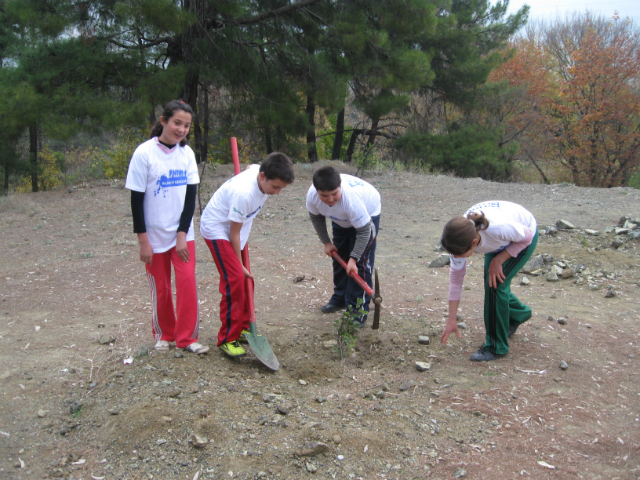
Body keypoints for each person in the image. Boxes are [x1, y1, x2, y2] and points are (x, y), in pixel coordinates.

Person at [125, 100, 209, 354]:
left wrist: (182, 234)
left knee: (186, 283)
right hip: (153, 236)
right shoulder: (144, 153)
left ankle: (187, 338)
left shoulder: (187, 154)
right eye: (177, 123)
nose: (181, 129)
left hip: (182, 235)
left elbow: (189, 198)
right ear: (163, 121)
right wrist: (143, 241)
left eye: (187, 125)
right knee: (160, 287)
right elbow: (136, 201)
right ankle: (165, 334)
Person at [200, 153, 295, 358]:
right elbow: (233, 233)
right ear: (262, 176)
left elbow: (251, 166)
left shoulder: (258, 173)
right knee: (234, 278)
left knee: (247, 281)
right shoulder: (244, 194)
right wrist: (238, 263)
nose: (277, 193)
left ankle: (243, 327)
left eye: (281, 188)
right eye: (275, 187)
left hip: (236, 229)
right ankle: (227, 338)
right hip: (217, 229)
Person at [439, 201, 538, 361]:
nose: (455, 258)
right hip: (499, 243)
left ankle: (496, 347)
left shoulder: (499, 228)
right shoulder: (458, 238)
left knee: (495, 286)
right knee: (492, 282)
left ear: (474, 243)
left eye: (458, 255)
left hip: (523, 237)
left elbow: (527, 237)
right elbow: (456, 279)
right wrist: (451, 319)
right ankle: (519, 313)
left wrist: (499, 260)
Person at [306, 166, 381, 328]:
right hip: (341, 218)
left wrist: (354, 258)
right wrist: (326, 242)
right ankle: (340, 298)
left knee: (359, 266)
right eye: (324, 195)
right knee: (339, 258)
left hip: (366, 219)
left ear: (340, 185)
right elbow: (316, 218)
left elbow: (363, 231)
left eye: (334, 193)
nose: (330, 199)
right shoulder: (312, 196)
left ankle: (358, 310)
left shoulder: (351, 200)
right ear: (317, 191)